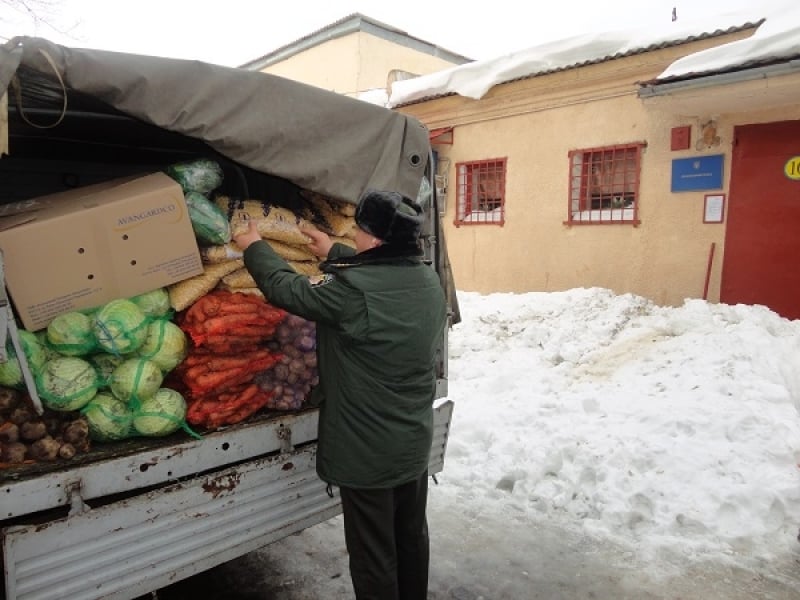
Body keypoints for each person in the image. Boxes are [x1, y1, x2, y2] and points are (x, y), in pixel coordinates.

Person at [233, 189, 448, 600]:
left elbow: (288, 289)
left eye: (362, 229)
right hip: (410, 443)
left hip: (367, 452)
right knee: (410, 538)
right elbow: (378, 280)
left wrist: (256, 248)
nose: (358, 233)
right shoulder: (426, 280)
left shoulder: (350, 291)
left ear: (377, 240)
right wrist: (335, 249)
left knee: (373, 555)